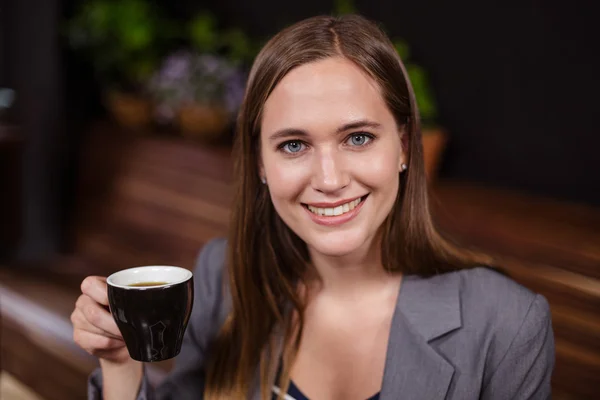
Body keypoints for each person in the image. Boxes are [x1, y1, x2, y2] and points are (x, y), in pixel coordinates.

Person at [72, 14, 554, 400]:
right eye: (294, 145)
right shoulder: (224, 276)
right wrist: (121, 366)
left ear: (404, 146)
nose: (329, 180)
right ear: (260, 162)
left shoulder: (507, 324)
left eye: (358, 137)